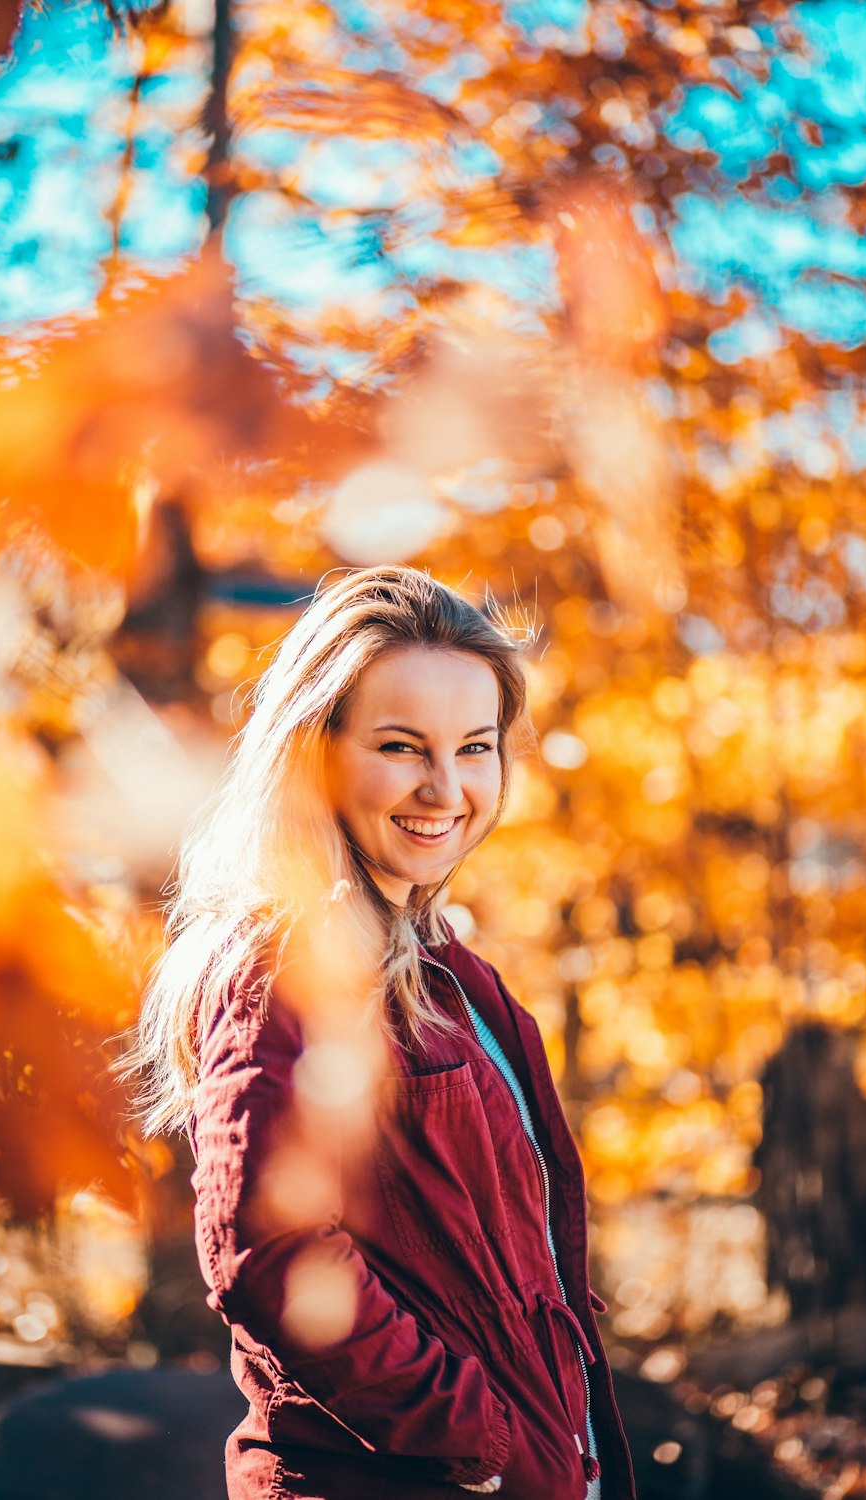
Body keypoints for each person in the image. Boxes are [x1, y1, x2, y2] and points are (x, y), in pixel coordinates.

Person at [130, 566, 636, 1500]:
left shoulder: (447, 968)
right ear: (316, 752)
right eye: (403, 746)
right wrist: (478, 1437)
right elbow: (267, 1251)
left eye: (476, 747)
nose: (446, 789)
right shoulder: (285, 959)